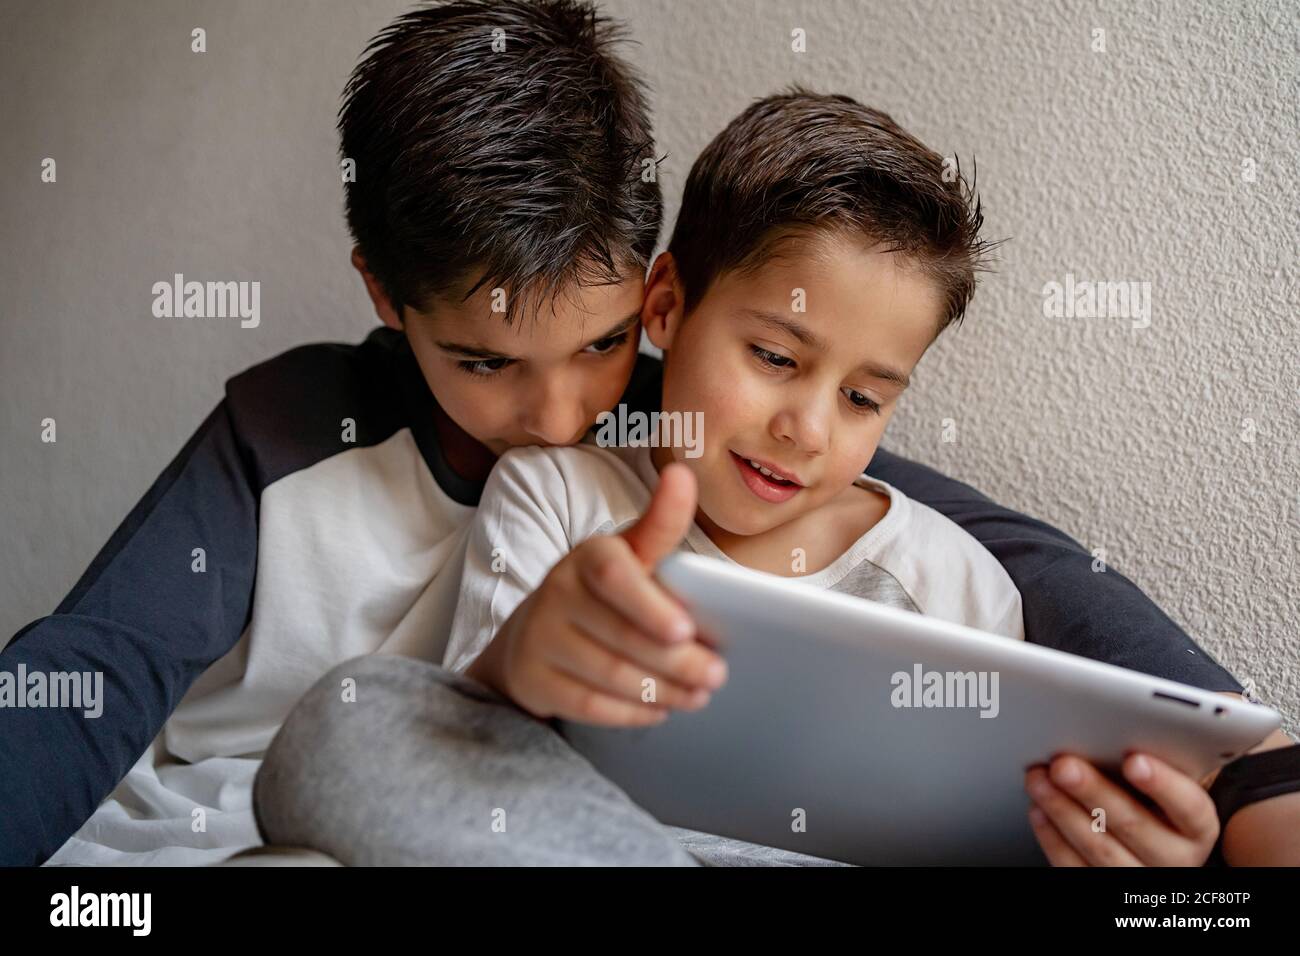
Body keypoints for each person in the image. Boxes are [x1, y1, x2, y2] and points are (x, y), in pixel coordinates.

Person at [5, 0, 1290, 868]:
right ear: (385, 298)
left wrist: (1233, 803)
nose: (560, 414)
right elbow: (91, 667)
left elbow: (1036, 581)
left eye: (604, 344)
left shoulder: (708, 429)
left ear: (655, 296)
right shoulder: (288, 423)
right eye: (482, 361)